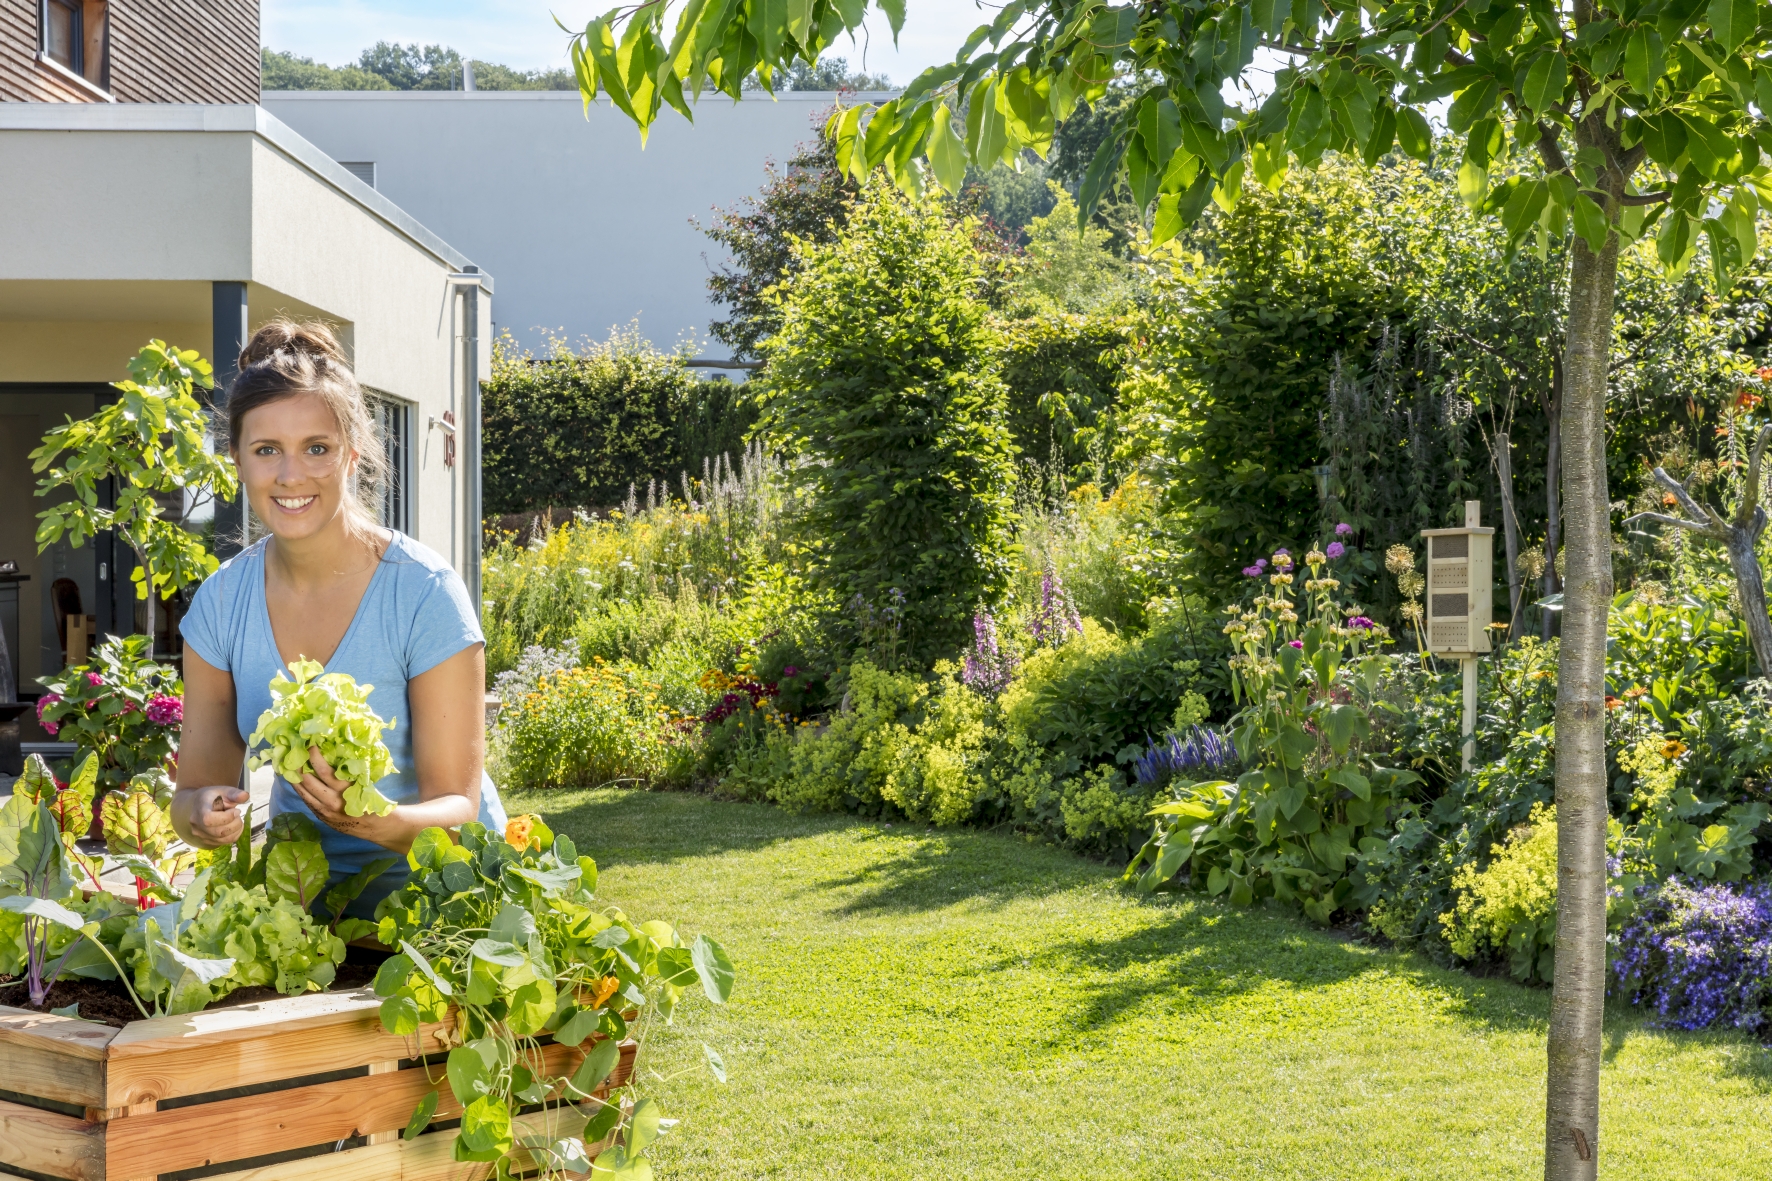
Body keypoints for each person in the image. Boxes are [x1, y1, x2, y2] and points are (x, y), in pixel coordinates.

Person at [170, 320, 505, 916]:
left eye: (317, 449)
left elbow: (459, 808)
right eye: (266, 450)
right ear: (238, 461)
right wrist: (202, 814)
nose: (291, 476)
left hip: (446, 912)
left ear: (352, 455)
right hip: (308, 911)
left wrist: (377, 820)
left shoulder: (424, 593)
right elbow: (194, 791)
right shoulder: (221, 606)